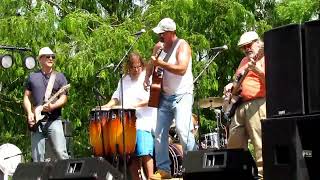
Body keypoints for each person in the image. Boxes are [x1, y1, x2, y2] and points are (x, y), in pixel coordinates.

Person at [144, 17, 196, 180]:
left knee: (183, 130)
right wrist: (147, 77)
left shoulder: (182, 46)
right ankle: (164, 170)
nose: (159, 36)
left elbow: (181, 69)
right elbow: (151, 64)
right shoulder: (158, 47)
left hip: (183, 95)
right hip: (164, 96)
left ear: (171, 32)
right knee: (158, 133)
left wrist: (161, 63)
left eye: (162, 33)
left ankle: (195, 166)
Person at [102, 52, 156, 180]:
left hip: (144, 122)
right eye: (133, 67)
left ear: (142, 65)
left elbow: (153, 99)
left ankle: (151, 178)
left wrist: (134, 105)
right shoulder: (123, 80)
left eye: (138, 66)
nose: (136, 70)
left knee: (144, 152)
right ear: (128, 67)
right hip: (126, 123)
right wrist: (107, 106)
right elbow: (116, 98)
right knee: (130, 157)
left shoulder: (147, 77)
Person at [223, 31, 266, 178]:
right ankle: (242, 174)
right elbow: (237, 83)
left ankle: (263, 175)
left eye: (249, 45)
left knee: (259, 143)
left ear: (258, 43)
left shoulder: (265, 57)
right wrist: (231, 86)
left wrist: (258, 70)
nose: (247, 48)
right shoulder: (243, 61)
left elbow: (274, 81)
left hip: (258, 103)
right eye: (243, 47)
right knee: (234, 143)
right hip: (240, 105)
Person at [23, 47, 69, 162]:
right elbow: (26, 97)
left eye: (52, 56)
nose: (50, 58)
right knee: (37, 157)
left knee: (61, 153)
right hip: (37, 122)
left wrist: (53, 106)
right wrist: (29, 113)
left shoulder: (59, 77)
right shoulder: (32, 77)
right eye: (47, 56)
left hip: (54, 120)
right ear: (40, 59)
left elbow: (63, 98)